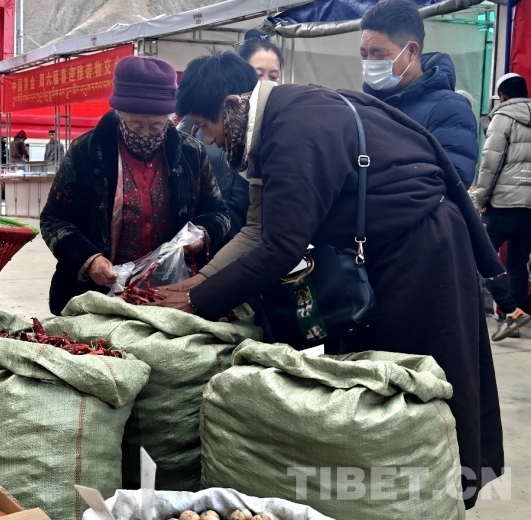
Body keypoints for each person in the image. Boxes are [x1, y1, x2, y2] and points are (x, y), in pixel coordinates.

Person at [156, 51, 503, 508]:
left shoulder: (295, 129)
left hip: (422, 250)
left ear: (231, 106)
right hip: (383, 250)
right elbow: (257, 230)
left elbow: (280, 248)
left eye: (205, 126)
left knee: (415, 381)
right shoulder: (269, 124)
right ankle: (378, 496)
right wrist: (196, 284)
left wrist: (196, 303)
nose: (207, 139)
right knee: (368, 382)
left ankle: (437, 495)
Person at [40, 55, 229, 315]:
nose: (145, 134)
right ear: (119, 116)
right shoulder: (86, 152)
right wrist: (89, 259)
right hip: (97, 293)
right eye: (136, 124)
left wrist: (201, 234)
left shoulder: (191, 153)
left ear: (170, 120)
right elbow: (54, 219)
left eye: (156, 125)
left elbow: (218, 212)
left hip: (168, 293)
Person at [178, 29, 284, 247]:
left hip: (251, 246)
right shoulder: (197, 121)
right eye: (258, 75)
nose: (265, 84)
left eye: (273, 77)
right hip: (210, 241)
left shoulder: (276, 135)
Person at [360, 0, 479, 188]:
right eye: (364, 55)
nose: (369, 63)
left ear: (411, 51)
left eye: (379, 54)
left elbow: (450, 184)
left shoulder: (449, 110)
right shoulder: (364, 104)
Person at [474, 73, 531, 340]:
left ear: (503, 96)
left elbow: (491, 162)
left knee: (480, 254)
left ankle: (510, 311)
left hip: (504, 204)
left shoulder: (503, 117)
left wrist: (481, 198)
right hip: (529, 208)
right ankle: (514, 321)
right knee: (518, 264)